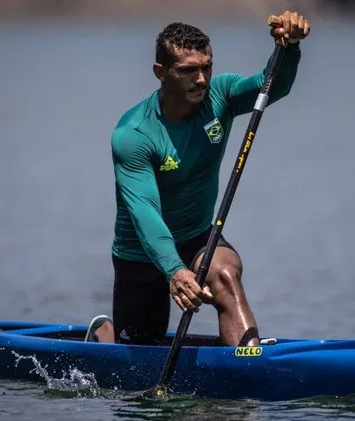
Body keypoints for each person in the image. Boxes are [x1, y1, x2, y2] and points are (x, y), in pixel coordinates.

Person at [86, 10, 310, 346]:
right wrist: (174, 270)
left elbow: (270, 85)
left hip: (196, 237)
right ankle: (105, 334)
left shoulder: (220, 95)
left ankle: (246, 365)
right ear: (160, 73)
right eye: (189, 70)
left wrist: (289, 47)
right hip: (142, 253)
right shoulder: (134, 135)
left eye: (206, 66)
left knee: (225, 273)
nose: (202, 79)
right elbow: (145, 212)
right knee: (138, 350)